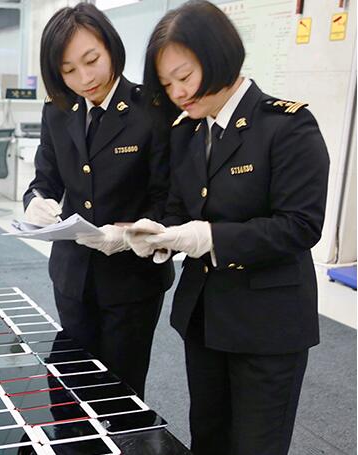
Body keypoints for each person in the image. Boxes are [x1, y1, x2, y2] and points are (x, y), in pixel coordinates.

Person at [134, 1, 330, 454]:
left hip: (267, 325)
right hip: (205, 318)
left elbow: (300, 226)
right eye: (167, 84)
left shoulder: (286, 125)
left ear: (219, 55)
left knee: (256, 445)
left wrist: (210, 238)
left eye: (184, 76)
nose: (178, 93)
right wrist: (158, 236)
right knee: (208, 438)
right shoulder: (188, 131)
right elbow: (179, 208)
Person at [23, 2, 173, 399]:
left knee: (121, 393)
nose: (85, 78)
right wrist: (35, 200)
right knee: (68, 388)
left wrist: (132, 234)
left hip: (131, 281)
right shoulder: (58, 111)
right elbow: (45, 180)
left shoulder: (151, 110)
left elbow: (168, 197)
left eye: (91, 61)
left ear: (111, 47)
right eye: (68, 70)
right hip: (72, 275)